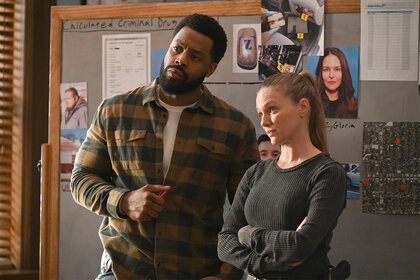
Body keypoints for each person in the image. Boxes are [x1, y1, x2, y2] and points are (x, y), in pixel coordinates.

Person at [70, 14, 259, 280]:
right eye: (177, 48)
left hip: (197, 271)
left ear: (211, 68)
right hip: (124, 269)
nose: (180, 59)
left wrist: (227, 274)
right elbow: (81, 179)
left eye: (195, 56)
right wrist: (123, 201)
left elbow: (248, 212)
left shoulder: (235, 127)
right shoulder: (115, 111)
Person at [218, 71, 346, 279]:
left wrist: (247, 234)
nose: (264, 122)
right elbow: (224, 242)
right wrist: (264, 264)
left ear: (303, 107)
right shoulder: (255, 173)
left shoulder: (328, 174)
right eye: (260, 113)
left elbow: (299, 246)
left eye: (272, 109)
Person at [315, 47, 357, 118]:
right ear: (320, 73)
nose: (331, 75)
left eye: (337, 69)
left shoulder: (355, 106)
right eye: (326, 69)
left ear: (344, 72)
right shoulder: (311, 105)